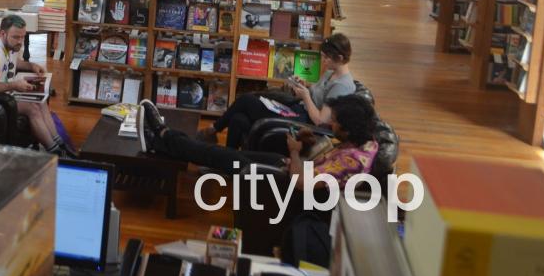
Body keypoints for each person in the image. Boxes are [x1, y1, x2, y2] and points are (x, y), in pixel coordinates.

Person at [138, 94, 379, 187]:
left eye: (336, 123)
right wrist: (310, 142)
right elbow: (322, 161)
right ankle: (160, 140)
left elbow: (302, 186)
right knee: (214, 152)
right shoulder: (363, 143)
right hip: (282, 165)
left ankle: (162, 134)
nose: (331, 125)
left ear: (350, 128)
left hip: (281, 181)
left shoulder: (352, 161)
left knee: (215, 154)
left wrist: (295, 151)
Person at [199, 33, 356, 149]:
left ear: (341, 58)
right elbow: (317, 96)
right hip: (296, 109)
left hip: (302, 123)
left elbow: (321, 121)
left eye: (326, 57)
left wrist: (306, 96)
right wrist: (303, 87)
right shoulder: (331, 72)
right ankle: (229, 162)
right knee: (238, 119)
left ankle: (213, 129)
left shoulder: (341, 86)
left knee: (246, 100)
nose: (323, 60)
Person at [0, 15, 74, 157]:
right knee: (32, 107)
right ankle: (55, 152)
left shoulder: (9, 46)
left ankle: (59, 143)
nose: (20, 42)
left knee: (40, 102)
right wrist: (14, 85)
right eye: (16, 37)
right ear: (2, 34)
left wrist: (31, 65)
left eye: (23, 37)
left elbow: (14, 62)